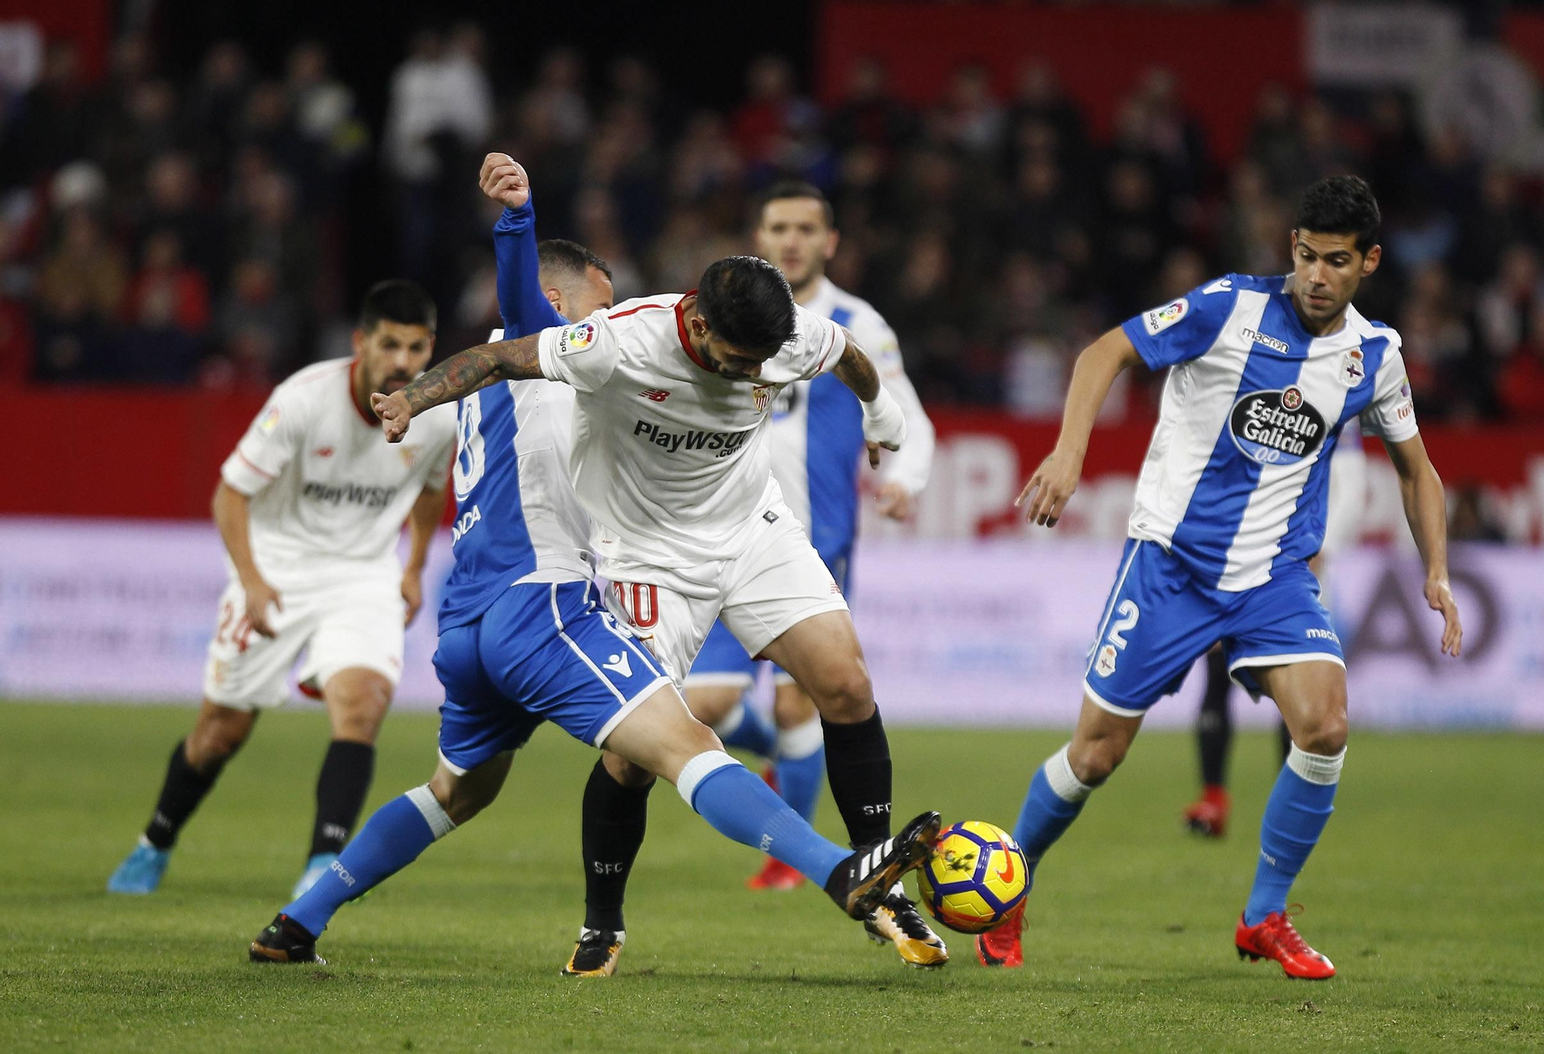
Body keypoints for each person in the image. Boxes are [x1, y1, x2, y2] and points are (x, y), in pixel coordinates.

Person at [248, 157, 940, 967]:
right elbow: (517, 314)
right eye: (595, 304)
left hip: (468, 620)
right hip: (541, 605)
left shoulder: (590, 354)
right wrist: (517, 219)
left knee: (456, 792)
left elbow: (845, 352)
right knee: (682, 747)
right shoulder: (583, 345)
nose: (605, 315)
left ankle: (298, 920)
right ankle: (837, 875)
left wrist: (885, 415)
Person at [981, 176, 1463, 978]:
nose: (1314, 275)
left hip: (1274, 577)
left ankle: (1264, 915)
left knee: (1326, 726)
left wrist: (1437, 569)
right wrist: (1070, 452)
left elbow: (1417, 470)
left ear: (1369, 262)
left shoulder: (1372, 357)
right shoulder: (1227, 307)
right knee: (1096, 756)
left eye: (1335, 262)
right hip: (1169, 567)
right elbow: (1106, 352)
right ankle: (1009, 887)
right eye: (1304, 255)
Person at [107, 280, 457, 897]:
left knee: (363, 703)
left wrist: (412, 566)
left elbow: (431, 490)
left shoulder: (436, 417)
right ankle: (154, 842)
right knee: (221, 732)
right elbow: (230, 493)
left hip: (363, 574)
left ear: (431, 348)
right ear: (360, 343)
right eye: (390, 345)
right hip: (278, 571)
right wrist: (252, 582)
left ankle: (322, 865)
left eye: (416, 346)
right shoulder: (302, 401)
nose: (403, 361)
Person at [672, 182, 939, 946]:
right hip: (715, 539)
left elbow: (905, 413)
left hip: (808, 546)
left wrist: (902, 479)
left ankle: (797, 860)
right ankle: (790, 813)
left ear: (831, 242)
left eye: (805, 229)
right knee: (710, 706)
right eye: (777, 227)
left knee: (803, 705)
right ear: (757, 236)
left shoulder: (857, 325)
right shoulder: (724, 315)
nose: (790, 240)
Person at [1181, 420, 1360, 837]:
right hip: (1235, 558)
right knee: (1215, 670)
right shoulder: (1248, 384)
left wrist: (1324, 547)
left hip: (1297, 565)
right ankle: (1213, 800)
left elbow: (1352, 483)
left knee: (1299, 689)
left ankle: (1290, 807)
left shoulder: (1335, 390)